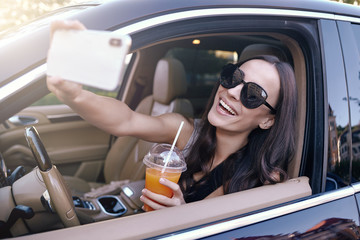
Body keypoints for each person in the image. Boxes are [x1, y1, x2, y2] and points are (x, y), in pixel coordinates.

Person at [47, 20, 297, 211]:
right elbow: (126, 120)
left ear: (268, 120)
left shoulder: (257, 181)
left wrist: (181, 214)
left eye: (252, 94)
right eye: (233, 77)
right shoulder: (186, 131)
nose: (231, 92)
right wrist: (74, 95)